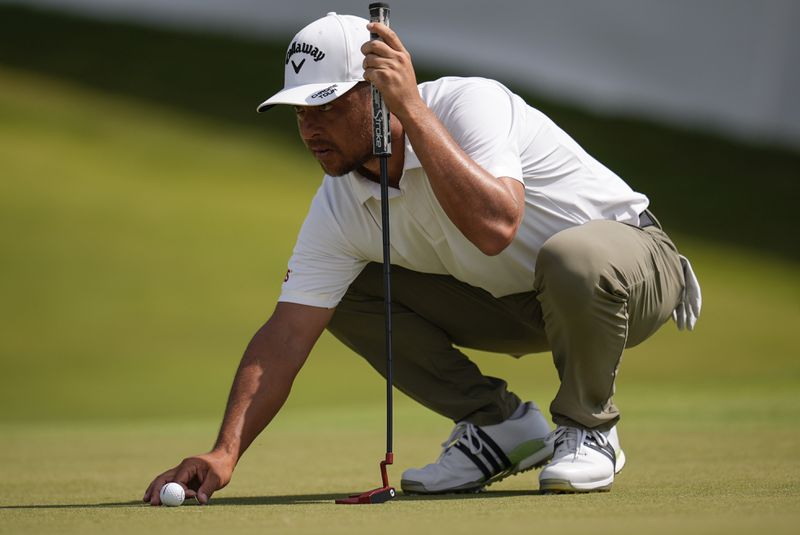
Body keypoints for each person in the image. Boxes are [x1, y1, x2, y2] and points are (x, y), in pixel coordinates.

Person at [143, 12, 701, 504]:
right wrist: (224, 453)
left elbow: (496, 226)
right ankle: (501, 426)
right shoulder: (339, 204)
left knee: (573, 257)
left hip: (629, 271)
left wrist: (409, 103)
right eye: (299, 113)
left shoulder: (470, 104)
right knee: (345, 290)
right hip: (518, 301)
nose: (310, 129)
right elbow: (287, 334)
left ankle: (588, 427)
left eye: (326, 107)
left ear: (378, 93)